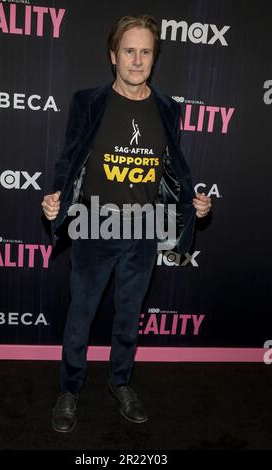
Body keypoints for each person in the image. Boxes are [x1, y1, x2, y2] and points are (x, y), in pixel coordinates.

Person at [41, 14, 212, 433]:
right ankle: (69, 390)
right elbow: (70, 156)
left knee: (128, 317)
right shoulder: (88, 102)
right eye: (129, 51)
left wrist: (194, 205)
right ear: (113, 56)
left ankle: (120, 383)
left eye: (146, 52)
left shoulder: (169, 109)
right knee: (80, 315)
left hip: (143, 229)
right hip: (92, 225)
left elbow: (173, 168)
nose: (137, 60)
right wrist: (55, 195)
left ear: (154, 58)